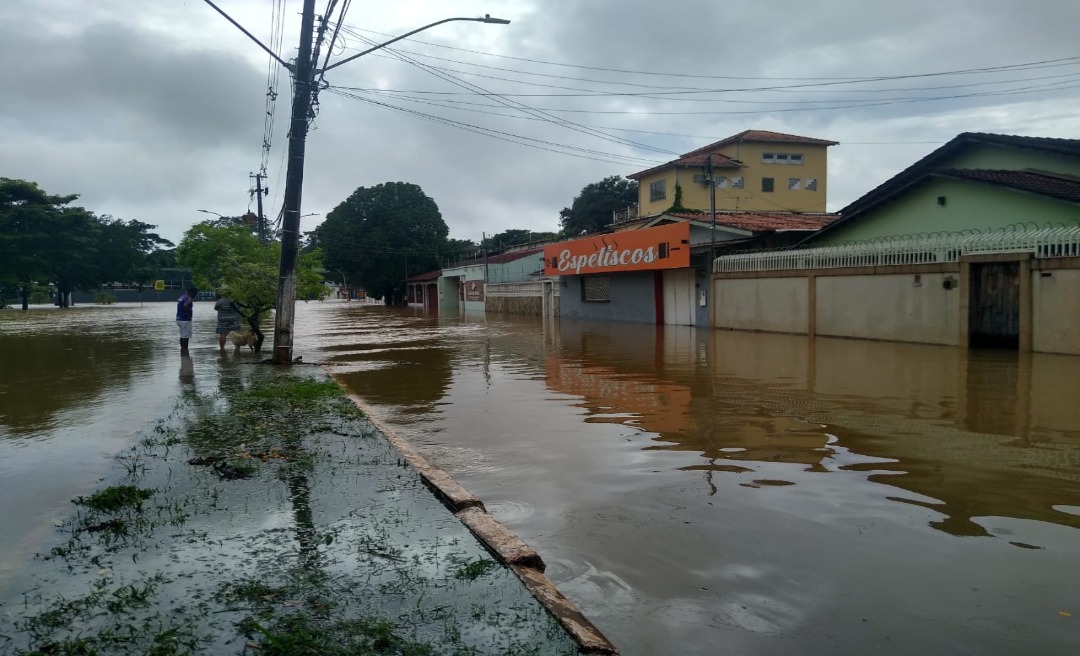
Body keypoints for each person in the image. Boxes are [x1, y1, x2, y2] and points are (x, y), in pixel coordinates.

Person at [213, 290, 242, 356]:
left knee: (223, 334)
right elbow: (239, 308)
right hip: (234, 319)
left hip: (222, 319)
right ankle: (237, 348)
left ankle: (222, 349)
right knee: (236, 335)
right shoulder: (235, 301)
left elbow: (216, 308)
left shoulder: (220, 301)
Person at [176, 287, 197, 354]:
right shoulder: (188, 298)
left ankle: (183, 350)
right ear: (192, 293)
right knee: (185, 337)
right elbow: (185, 306)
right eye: (195, 294)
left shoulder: (181, 297)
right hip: (185, 319)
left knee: (182, 336)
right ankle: (185, 351)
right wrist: (188, 312)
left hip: (179, 319)